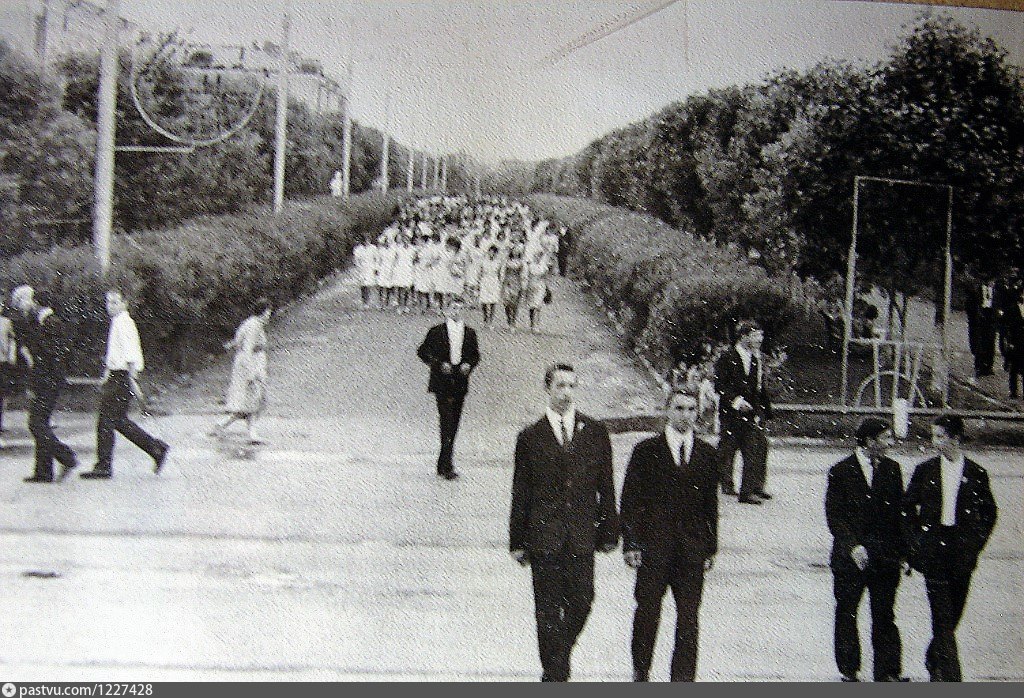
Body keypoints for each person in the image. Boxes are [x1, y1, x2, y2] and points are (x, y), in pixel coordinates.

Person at [509, 363, 619, 681]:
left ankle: (556, 663)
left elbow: (606, 485)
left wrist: (610, 530)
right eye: (560, 386)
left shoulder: (595, 432)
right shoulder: (530, 437)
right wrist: (517, 541)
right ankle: (556, 675)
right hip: (544, 537)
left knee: (583, 601)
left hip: (582, 536)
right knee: (547, 610)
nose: (566, 393)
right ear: (547, 389)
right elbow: (521, 491)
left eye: (571, 386)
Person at [620, 389, 718, 682]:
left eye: (690, 409)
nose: (685, 415)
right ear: (667, 410)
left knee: (689, 617)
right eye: (679, 408)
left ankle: (683, 679)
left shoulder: (707, 454)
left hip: (691, 550)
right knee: (647, 612)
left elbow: (710, 505)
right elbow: (630, 501)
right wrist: (632, 543)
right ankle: (641, 671)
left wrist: (710, 547)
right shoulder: (646, 451)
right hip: (653, 549)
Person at [902, 414, 998, 682]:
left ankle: (935, 659)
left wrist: (975, 544)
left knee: (953, 614)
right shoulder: (925, 470)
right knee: (942, 617)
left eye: (940, 436)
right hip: (934, 549)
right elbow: (907, 509)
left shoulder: (976, 473)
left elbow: (989, 513)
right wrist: (916, 543)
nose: (935, 442)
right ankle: (950, 677)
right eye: (934, 436)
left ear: (956, 439)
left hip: (961, 551)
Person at [825, 418, 908, 682]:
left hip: (884, 556)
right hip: (850, 557)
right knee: (847, 612)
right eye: (885, 438)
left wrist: (904, 553)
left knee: (885, 614)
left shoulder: (892, 469)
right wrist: (853, 546)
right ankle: (849, 670)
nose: (890, 443)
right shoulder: (840, 471)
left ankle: (888, 671)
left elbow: (899, 515)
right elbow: (835, 517)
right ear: (870, 441)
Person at [80, 289, 169, 479]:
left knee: (106, 421)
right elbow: (115, 354)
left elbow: (130, 354)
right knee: (119, 421)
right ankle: (155, 448)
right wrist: (107, 374)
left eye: (114, 302)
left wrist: (131, 380)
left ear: (124, 303)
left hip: (122, 377)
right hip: (116, 375)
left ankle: (104, 466)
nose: (110, 306)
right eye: (108, 302)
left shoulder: (124, 323)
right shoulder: (117, 322)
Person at [10, 286, 78, 482]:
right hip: (45, 381)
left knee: (36, 424)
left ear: (33, 301)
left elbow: (51, 355)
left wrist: (30, 352)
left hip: (49, 381)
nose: (21, 308)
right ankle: (43, 471)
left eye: (22, 303)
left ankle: (67, 457)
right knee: (41, 424)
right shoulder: (38, 323)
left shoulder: (50, 323)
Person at [416, 298, 480, 480]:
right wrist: (438, 364)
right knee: (447, 420)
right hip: (442, 382)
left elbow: (475, 355)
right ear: (446, 311)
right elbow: (422, 351)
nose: (456, 311)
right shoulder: (436, 331)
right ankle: (447, 464)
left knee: (454, 422)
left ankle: (443, 462)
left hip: (459, 381)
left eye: (460, 308)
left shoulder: (470, 333)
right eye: (453, 308)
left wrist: (469, 365)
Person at [714, 320, 772, 504]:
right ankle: (727, 484)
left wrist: (763, 411)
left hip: (750, 413)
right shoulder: (727, 357)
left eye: (761, 335)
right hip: (731, 413)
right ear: (743, 336)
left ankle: (753, 488)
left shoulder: (755, 359)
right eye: (756, 335)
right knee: (727, 449)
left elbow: (758, 388)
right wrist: (737, 402)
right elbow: (720, 385)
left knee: (757, 446)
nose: (760, 339)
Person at [210, 298, 272, 443]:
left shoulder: (251, 323)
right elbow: (247, 349)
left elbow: (237, 342)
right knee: (253, 398)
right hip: (251, 363)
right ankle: (252, 434)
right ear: (263, 312)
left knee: (248, 401)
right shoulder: (254, 325)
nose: (268, 315)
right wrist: (251, 372)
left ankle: (221, 424)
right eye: (268, 311)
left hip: (251, 362)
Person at [965, 273, 998, 381]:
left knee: (990, 342)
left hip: (991, 318)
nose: (992, 283)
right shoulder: (977, 290)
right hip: (980, 318)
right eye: (991, 281)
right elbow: (970, 304)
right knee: (979, 343)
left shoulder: (995, 292)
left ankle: (989, 366)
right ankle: (979, 366)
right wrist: (976, 316)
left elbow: (998, 304)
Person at [0, 294, 18, 447]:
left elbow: (12, 340)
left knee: (1, 397)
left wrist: (11, 354)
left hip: (2, 363)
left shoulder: (6, 322)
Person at [1002, 288, 1024, 400]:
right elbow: (1008, 326)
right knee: (1014, 367)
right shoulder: (1012, 308)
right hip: (1015, 341)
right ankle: (1013, 391)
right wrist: (1009, 341)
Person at [524, 249, 550, 333]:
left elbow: (546, 278)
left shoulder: (543, 266)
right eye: (536, 256)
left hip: (540, 286)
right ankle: (532, 324)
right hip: (531, 286)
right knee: (531, 306)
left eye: (539, 256)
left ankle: (537, 325)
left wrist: (546, 288)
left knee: (538, 306)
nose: (537, 257)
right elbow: (527, 276)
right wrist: (526, 287)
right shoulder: (530, 265)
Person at [501, 243, 526, 328]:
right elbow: (503, 272)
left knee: (515, 303)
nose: (515, 252)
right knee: (507, 303)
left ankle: (513, 321)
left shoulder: (521, 262)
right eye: (514, 250)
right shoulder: (507, 261)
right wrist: (502, 282)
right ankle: (508, 319)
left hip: (516, 283)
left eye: (517, 251)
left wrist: (523, 285)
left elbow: (523, 274)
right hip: (507, 282)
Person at [477, 245, 504, 326]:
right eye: (490, 252)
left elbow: (499, 274)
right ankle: (485, 319)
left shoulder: (498, 262)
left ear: (496, 253)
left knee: (493, 301)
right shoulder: (483, 261)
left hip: (494, 281)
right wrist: (478, 282)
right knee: (484, 301)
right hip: (485, 280)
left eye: (494, 252)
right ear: (488, 252)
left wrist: (499, 284)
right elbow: (480, 272)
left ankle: (490, 321)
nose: (492, 254)